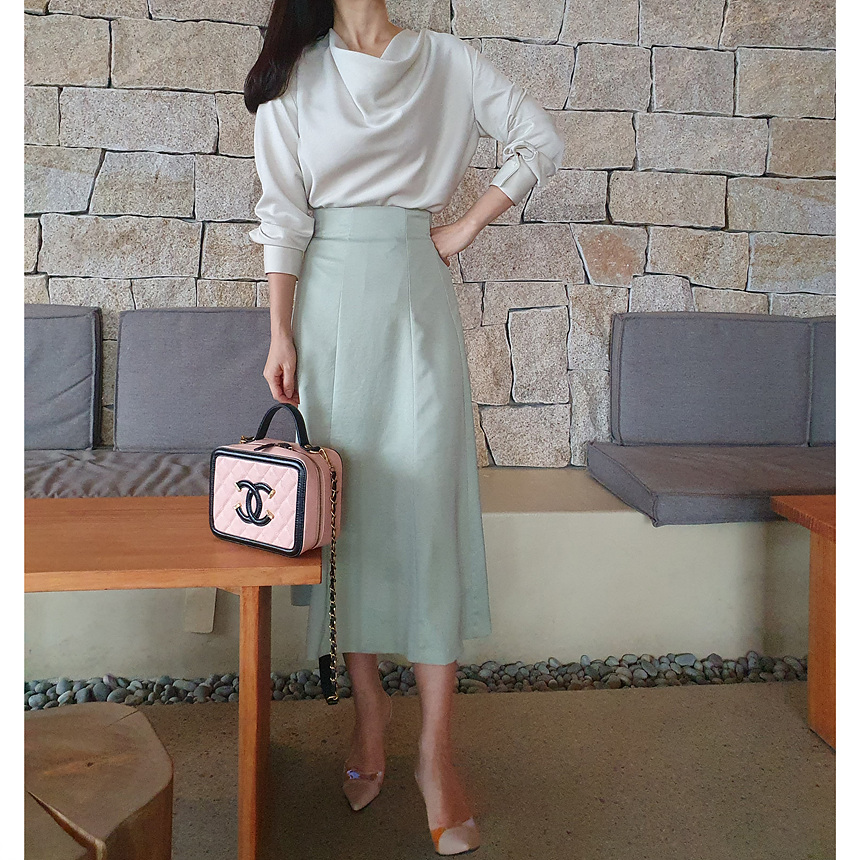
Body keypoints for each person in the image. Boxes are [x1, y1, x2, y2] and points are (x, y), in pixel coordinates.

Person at [245, 1, 565, 854]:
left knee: (426, 513)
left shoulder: (448, 62)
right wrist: (280, 332)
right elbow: (283, 212)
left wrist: (465, 225)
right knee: (347, 514)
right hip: (328, 312)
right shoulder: (293, 75)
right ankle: (369, 713)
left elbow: (540, 139)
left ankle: (435, 750)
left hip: (417, 303)